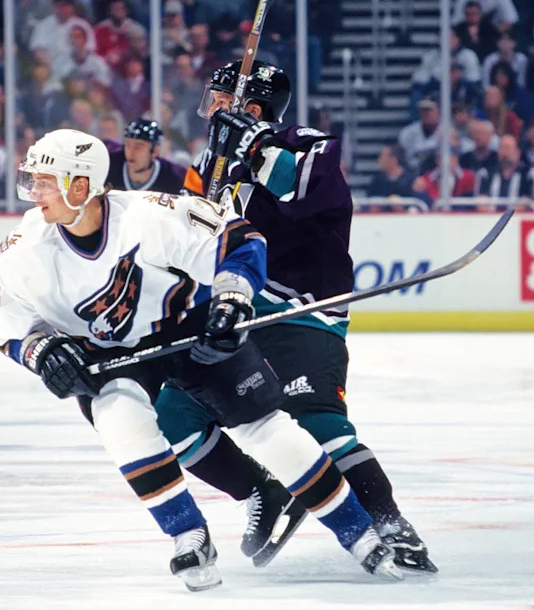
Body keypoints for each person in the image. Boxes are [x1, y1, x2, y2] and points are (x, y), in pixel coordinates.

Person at [0, 129, 402, 592]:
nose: (33, 193)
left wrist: (231, 299)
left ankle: (361, 534)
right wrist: (40, 351)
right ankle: (188, 534)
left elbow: (240, 239)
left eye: (45, 181)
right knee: (118, 415)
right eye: (33, 180)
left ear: (81, 185)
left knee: (264, 428)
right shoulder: (22, 250)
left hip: (189, 323)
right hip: (106, 349)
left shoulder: (149, 217)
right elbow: (12, 328)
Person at [153, 61, 438, 573]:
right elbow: (186, 236)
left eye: (218, 100)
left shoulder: (309, 143)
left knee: (317, 424)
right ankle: (263, 491)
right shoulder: (209, 164)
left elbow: (300, 190)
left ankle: (391, 527)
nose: (209, 110)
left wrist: (252, 144)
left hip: (302, 310)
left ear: (251, 107)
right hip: (235, 313)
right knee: (172, 412)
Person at [103, 119, 186, 193]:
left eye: (138, 147)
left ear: (154, 151)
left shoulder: (174, 178)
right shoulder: (109, 167)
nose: (131, 152)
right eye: (128, 145)